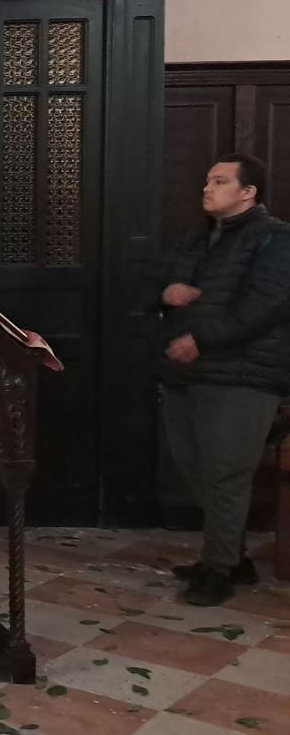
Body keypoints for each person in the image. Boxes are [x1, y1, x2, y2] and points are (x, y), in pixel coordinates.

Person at [152, 152, 290, 606]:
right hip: (186, 371)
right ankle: (233, 556)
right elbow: (163, 282)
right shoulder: (197, 237)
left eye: (220, 181)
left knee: (226, 472)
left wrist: (202, 340)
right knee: (195, 467)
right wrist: (166, 293)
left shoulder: (275, 240)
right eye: (207, 180)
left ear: (248, 192)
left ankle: (217, 570)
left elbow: (263, 307)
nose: (207, 188)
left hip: (242, 375)